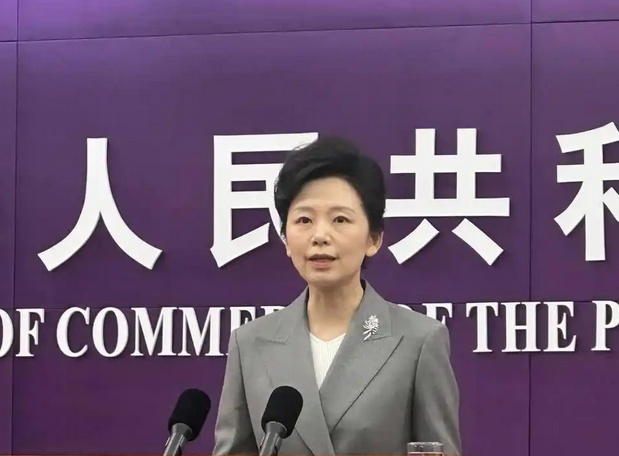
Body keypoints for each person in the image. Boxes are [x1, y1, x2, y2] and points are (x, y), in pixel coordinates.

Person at [212, 136, 461, 456]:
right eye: (304, 220)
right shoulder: (250, 344)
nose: (320, 236)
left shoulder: (418, 341)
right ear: (285, 238)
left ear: (374, 238)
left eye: (340, 219)